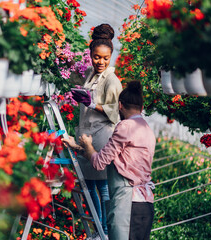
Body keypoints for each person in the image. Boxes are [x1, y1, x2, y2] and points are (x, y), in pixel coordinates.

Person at [64, 81, 156, 240]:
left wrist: (87, 144)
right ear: (141, 108)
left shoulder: (126, 126)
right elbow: (110, 157)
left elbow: (99, 162)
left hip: (127, 204)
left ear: (120, 105)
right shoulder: (147, 129)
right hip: (145, 204)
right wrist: (80, 147)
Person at [67, 23, 123, 236]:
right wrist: (63, 62)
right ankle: (98, 228)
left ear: (111, 57)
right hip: (86, 134)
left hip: (102, 138)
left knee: (103, 187)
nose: (100, 62)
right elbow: (74, 78)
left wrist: (92, 104)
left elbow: (116, 112)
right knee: (89, 185)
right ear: (90, 55)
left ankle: (107, 230)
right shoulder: (89, 72)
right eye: (96, 57)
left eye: (105, 58)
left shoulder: (112, 80)